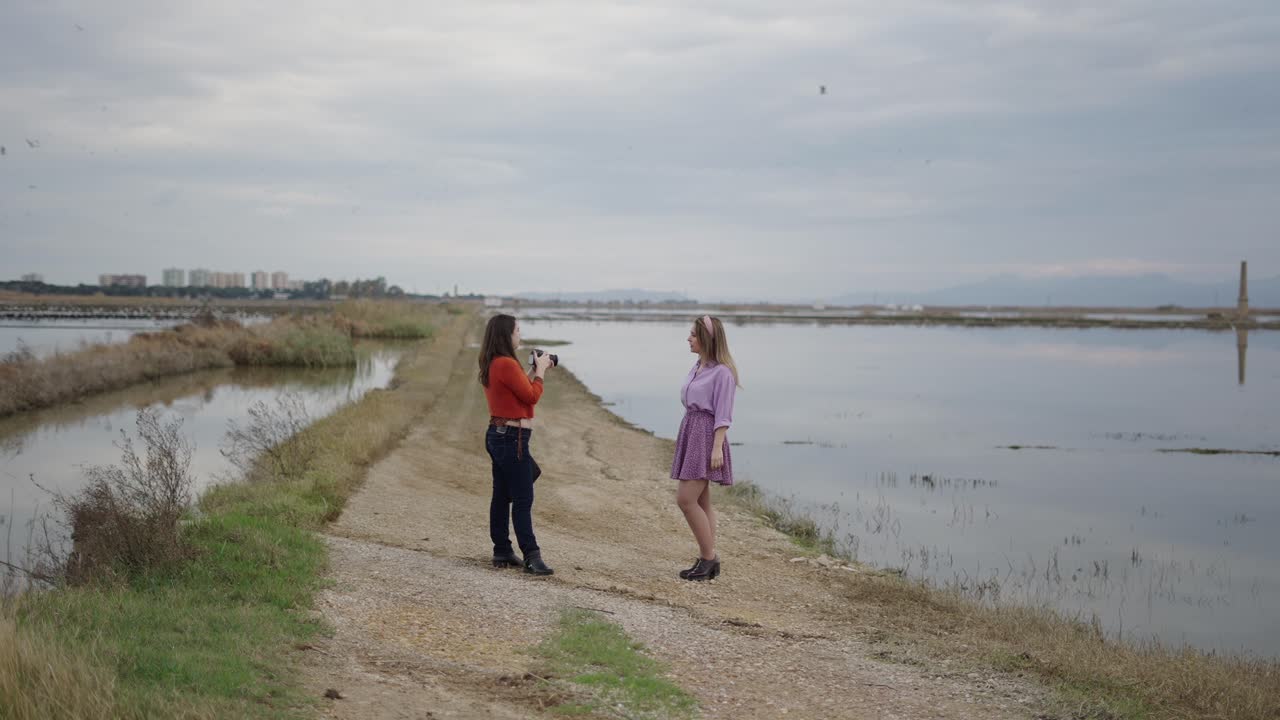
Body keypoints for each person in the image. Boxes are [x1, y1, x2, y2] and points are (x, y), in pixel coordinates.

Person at [478, 314, 554, 575]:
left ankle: (502, 550)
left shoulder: (495, 362)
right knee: (523, 497)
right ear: (506, 334)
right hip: (512, 439)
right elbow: (531, 396)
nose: (520, 334)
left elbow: (518, 389)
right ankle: (532, 556)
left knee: (502, 494)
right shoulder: (506, 364)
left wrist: (533, 369)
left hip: (499, 435)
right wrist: (541, 372)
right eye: (517, 330)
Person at [670, 315, 740, 581]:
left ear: (707, 339)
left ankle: (709, 559)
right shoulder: (698, 366)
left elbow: (723, 414)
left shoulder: (722, 372)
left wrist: (716, 448)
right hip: (691, 428)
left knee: (685, 500)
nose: (688, 338)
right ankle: (707, 558)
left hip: (706, 435)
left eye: (693, 334)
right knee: (701, 500)